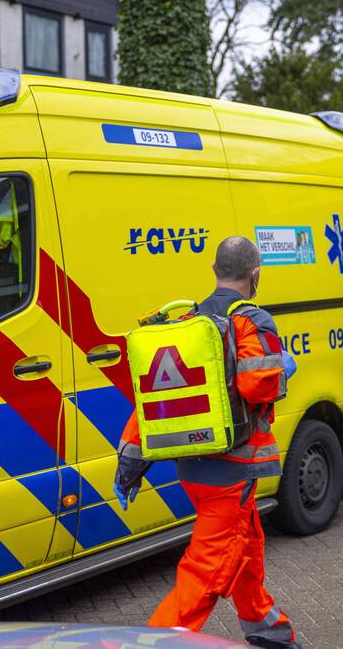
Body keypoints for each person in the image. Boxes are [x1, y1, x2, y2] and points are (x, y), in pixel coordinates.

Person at [114, 236, 300, 649]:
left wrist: (130, 465)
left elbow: (153, 405)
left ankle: (268, 631)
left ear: (214, 272)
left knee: (246, 551)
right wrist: (282, 368)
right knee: (208, 570)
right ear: (255, 275)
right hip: (233, 469)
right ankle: (150, 644)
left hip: (194, 468)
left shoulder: (186, 324)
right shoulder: (251, 320)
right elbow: (257, 386)